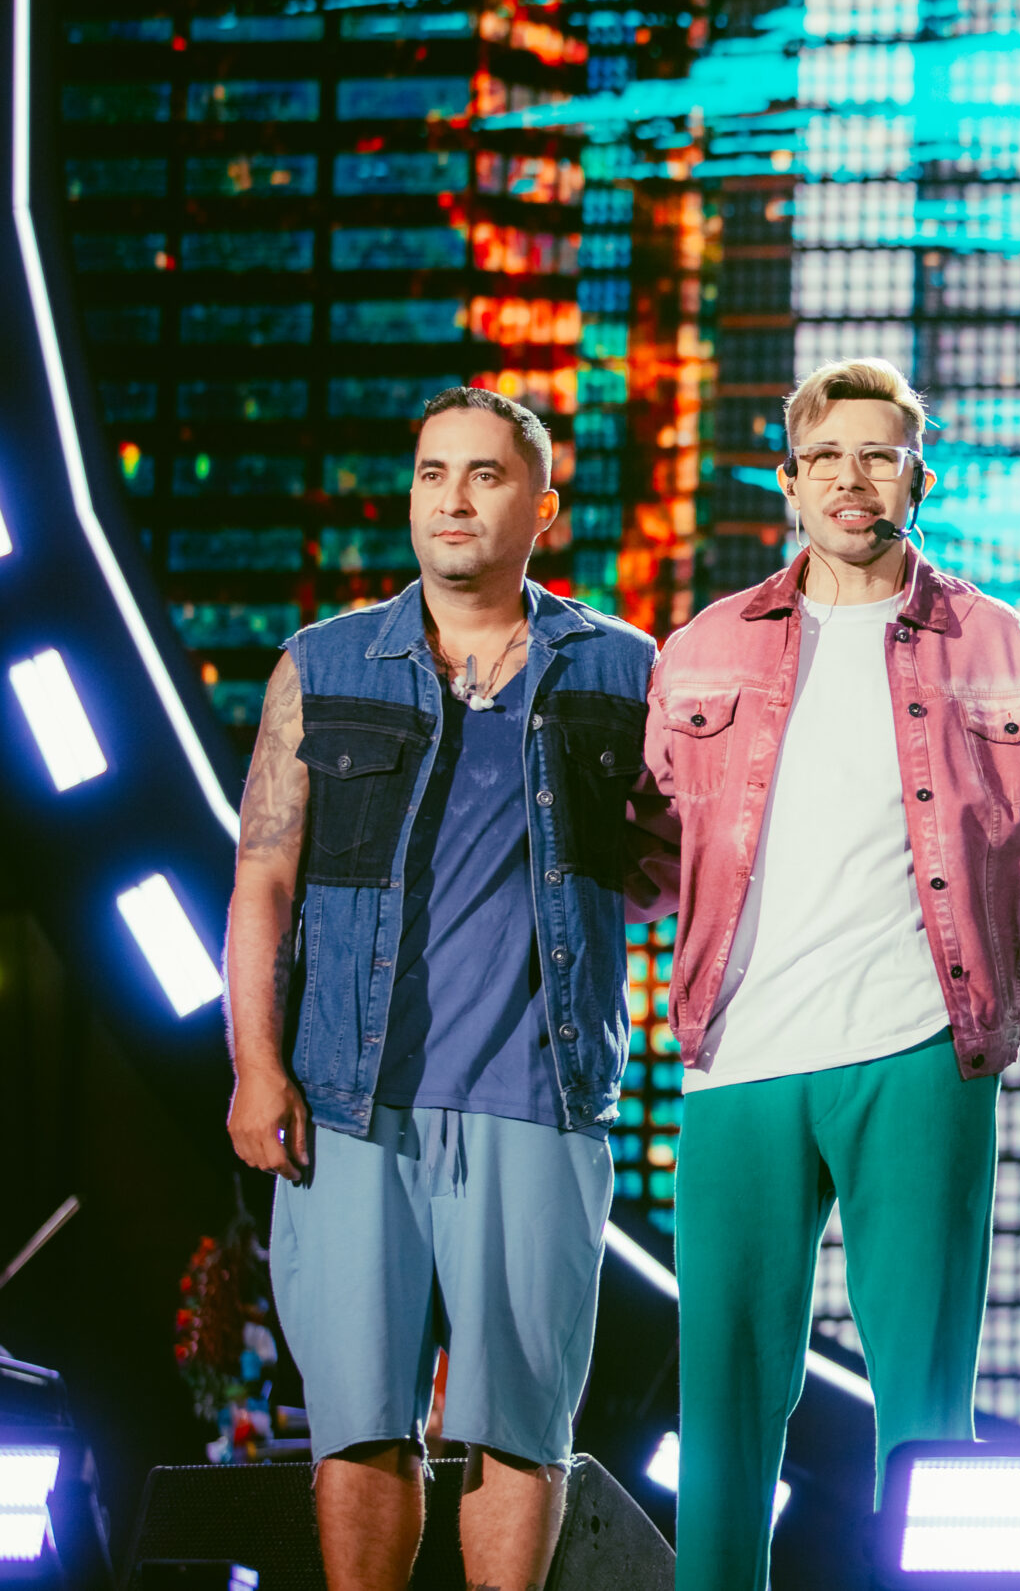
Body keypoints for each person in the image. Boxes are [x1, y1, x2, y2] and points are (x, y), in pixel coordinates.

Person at [637, 358, 1020, 1591]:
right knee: (723, 1410)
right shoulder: (700, 649)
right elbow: (650, 845)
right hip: (741, 1057)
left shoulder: (1004, 648)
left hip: (919, 1053)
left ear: (919, 478)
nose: (852, 479)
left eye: (880, 455)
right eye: (827, 458)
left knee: (926, 1404)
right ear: (788, 481)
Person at [224, 387, 663, 1591]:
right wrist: (257, 1066)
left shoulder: (624, 668)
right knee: (359, 1421)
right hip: (349, 1099)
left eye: (484, 474)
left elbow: (674, 862)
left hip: (540, 1096)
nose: (453, 499)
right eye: (432, 473)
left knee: (519, 1425)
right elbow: (262, 878)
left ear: (543, 509)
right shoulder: (322, 664)